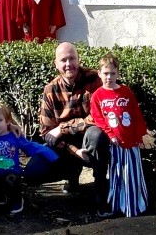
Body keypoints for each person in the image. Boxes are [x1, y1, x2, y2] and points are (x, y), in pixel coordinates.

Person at [34, 43, 111, 208]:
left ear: (79, 59)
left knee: (96, 134)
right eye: (63, 60)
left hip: (92, 141)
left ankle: (100, 188)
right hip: (66, 146)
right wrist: (75, 151)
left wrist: (63, 127)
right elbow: (47, 133)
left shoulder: (95, 79)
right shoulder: (50, 90)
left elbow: (101, 116)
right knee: (33, 171)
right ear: (56, 64)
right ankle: (72, 175)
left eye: (72, 58)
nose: (68, 64)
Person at [88, 53, 154, 218]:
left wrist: (141, 135)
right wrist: (110, 134)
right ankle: (118, 204)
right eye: (105, 73)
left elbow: (136, 114)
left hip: (131, 141)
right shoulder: (97, 95)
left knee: (132, 174)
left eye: (112, 73)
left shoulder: (125, 91)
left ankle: (134, 205)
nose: (109, 77)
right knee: (118, 175)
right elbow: (98, 118)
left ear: (118, 73)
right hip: (115, 143)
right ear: (99, 73)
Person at [0, 103, 58, 215]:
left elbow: (31, 146)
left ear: (8, 121)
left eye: (0, 120)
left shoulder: (15, 136)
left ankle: (17, 199)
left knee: (11, 180)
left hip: (11, 173)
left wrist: (50, 155)